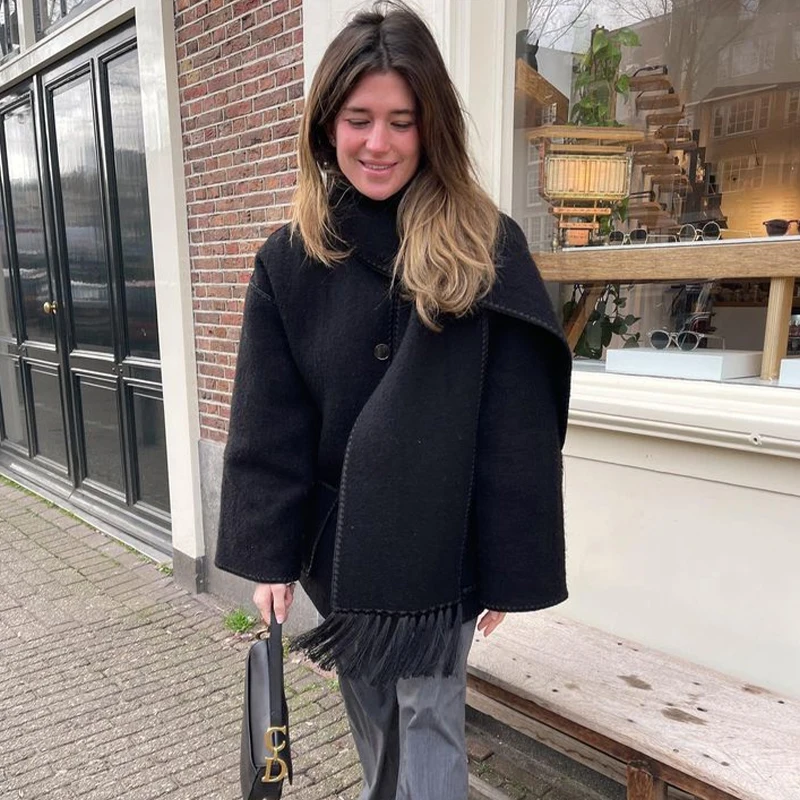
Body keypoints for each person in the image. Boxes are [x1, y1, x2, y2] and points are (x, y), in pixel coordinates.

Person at [215, 3, 571, 798]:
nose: (378, 143)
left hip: (447, 552)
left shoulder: (484, 246)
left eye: (401, 122)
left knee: (430, 720)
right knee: (374, 718)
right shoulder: (293, 257)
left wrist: (510, 562)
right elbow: (269, 420)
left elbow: (516, 423)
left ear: (431, 126)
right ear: (327, 125)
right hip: (341, 552)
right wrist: (268, 554)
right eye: (359, 119)